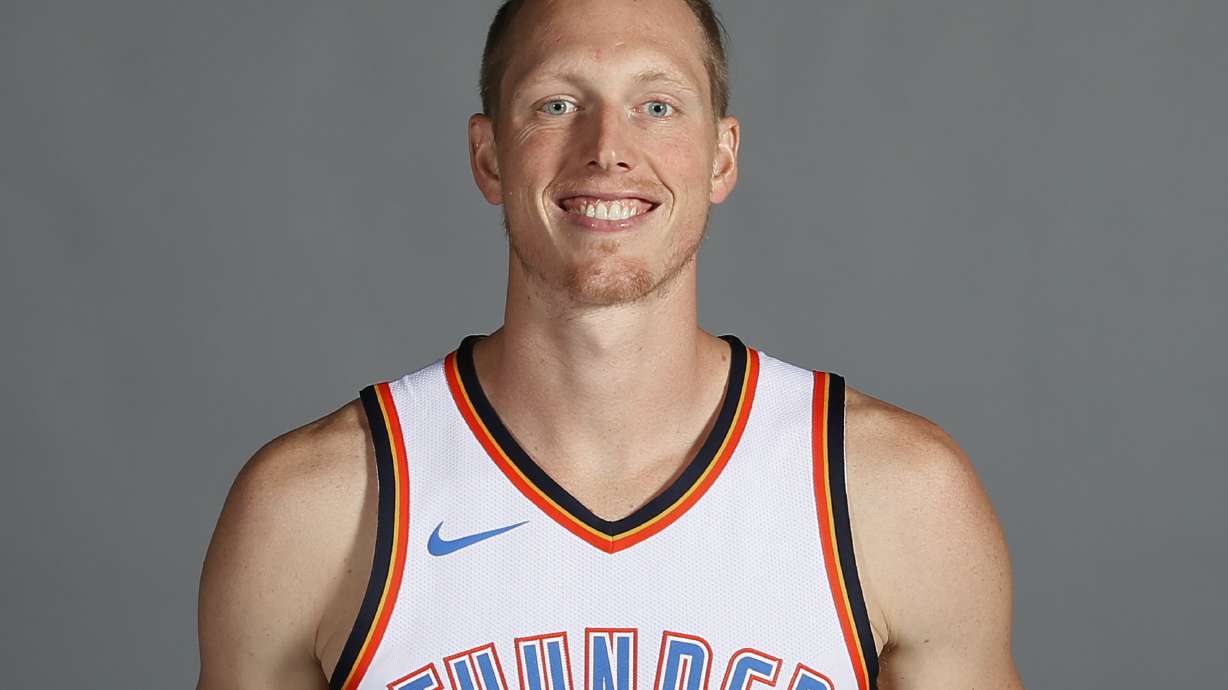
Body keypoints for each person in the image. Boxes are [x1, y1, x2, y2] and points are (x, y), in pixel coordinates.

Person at [197, 1, 1025, 688]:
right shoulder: (315, 509)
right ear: (488, 157)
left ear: (721, 158)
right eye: (557, 104)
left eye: (656, 106)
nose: (607, 150)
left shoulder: (895, 496)